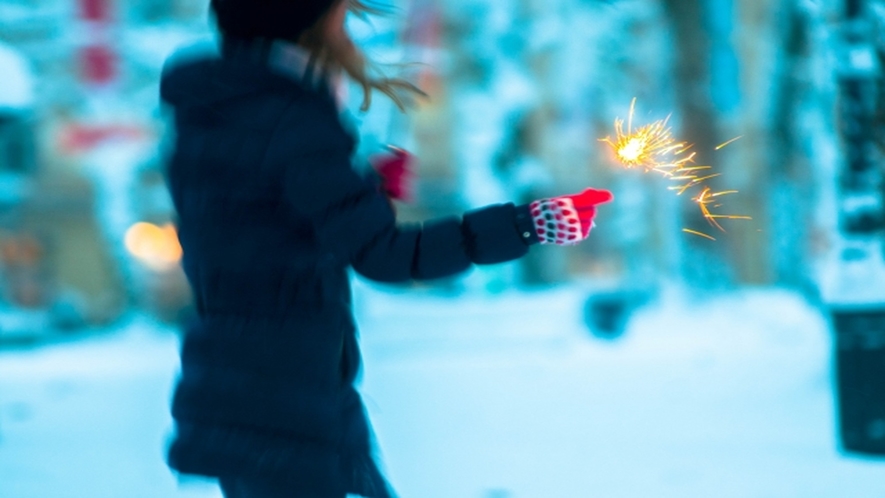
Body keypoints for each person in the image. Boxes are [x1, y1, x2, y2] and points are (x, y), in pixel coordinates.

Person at [159, 0, 614, 497]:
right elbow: (386, 256)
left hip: (238, 381)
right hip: (289, 399)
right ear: (304, 24)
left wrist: (360, 192)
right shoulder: (295, 118)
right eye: (340, 15)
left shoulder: (213, 114)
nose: (347, 31)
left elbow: (258, 224)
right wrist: (528, 224)